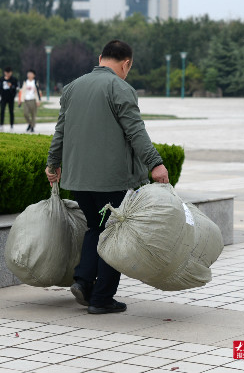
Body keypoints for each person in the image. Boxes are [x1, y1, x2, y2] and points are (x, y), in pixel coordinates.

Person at [45, 40, 169, 315]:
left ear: (101, 58)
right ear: (126, 63)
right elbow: (136, 132)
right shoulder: (120, 88)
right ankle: (102, 298)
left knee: (95, 228)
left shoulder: (73, 87)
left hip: (78, 180)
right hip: (111, 181)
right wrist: (155, 164)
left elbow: (60, 132)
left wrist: (52, 163)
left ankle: (83, 281)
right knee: (114, 234)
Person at [0, 66, 18, 131]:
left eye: (9, 73)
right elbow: (0, 88)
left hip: (11, 98)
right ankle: (1, 125)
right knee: (2, 111)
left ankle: (11, 125)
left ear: (11, 73)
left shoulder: (14, 79)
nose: (7, 74)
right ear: (4, 72)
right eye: (6, 72)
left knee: (11, 112)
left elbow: (16, 88)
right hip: (3, 98)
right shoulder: (2, 79)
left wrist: (11, 86)